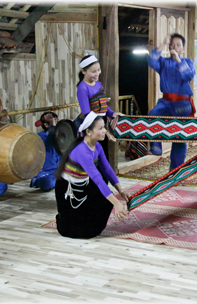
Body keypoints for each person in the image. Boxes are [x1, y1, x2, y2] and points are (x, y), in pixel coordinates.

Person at [54, 111, 129, 239]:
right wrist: (117, 202)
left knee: (104, 204)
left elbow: (107, 169)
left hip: (84, 183)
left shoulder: (97, 146)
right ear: (89, 131)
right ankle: (64, 222)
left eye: (104, 127)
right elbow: (97, 179)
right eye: (100, 128)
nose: (105, 131)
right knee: (78, 230)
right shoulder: (82, 151)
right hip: (67, 190)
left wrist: (121, 191)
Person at [146, 33, 196, 171]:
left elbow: (188, 75)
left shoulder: (187, 62)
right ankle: (156, 148)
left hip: (182, 103)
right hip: (166, 101)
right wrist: (163, 43)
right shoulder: (163, 62)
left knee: (179, 136)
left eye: (178, 45)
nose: (174, 47)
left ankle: (176, 170)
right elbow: (151, 60)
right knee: (153, 113)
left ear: (183, 48)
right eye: (172, 44)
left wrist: (178, 59)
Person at [76, 55, 125, 160]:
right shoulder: (82, 88)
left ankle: (103, 176)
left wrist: (112, 113)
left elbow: (102, 104)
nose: (97, 73)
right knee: (95, 157)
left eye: (98, 70)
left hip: (101, 122)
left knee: (103, 155)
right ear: (83, 71)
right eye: (93, 71)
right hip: (92, 126)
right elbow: (87, 114)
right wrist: (103, 130)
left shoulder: (98, 84)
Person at [30, 112, 61, 191]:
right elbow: (51, 141)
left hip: (58, 172)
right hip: (44, 173)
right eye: (54, 122)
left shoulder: (61, 136)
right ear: (47, 125)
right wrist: (52, 125)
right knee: (49, 182)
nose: (56, 124)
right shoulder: (40, 137)